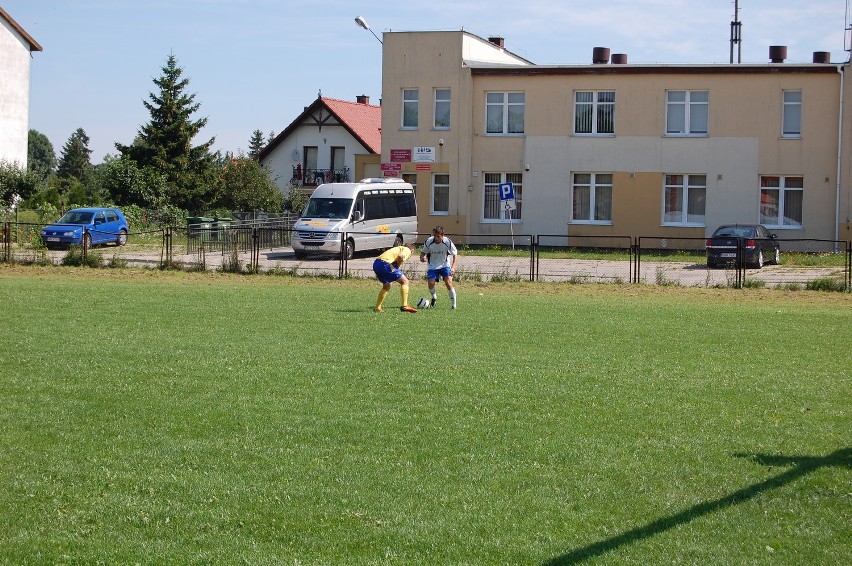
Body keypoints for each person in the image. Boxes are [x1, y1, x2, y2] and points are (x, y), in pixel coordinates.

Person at [419, 226, 458, 309]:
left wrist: (453, 267)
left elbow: (455, 254)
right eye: (435, 236)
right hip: (432, 266)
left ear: (442, 235)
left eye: (438, 236)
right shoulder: (429, 241)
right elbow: (423, 253)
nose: (436, 238)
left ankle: (453, 306)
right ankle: (434, 298)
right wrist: (422, 258)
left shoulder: (447, 242)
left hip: (445, 265)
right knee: (431, 284)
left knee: (449, 283)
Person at [373, 243, 418, 313]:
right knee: (405, 281)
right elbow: (400, 256)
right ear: (412, 250)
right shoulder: (408, 250)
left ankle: (377, 308)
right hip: (385, 264)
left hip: (377, 264)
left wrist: (395, 267)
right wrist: (398, 266)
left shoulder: (398, 248)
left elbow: (392, 261)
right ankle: (404, 306)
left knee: (387, 285)